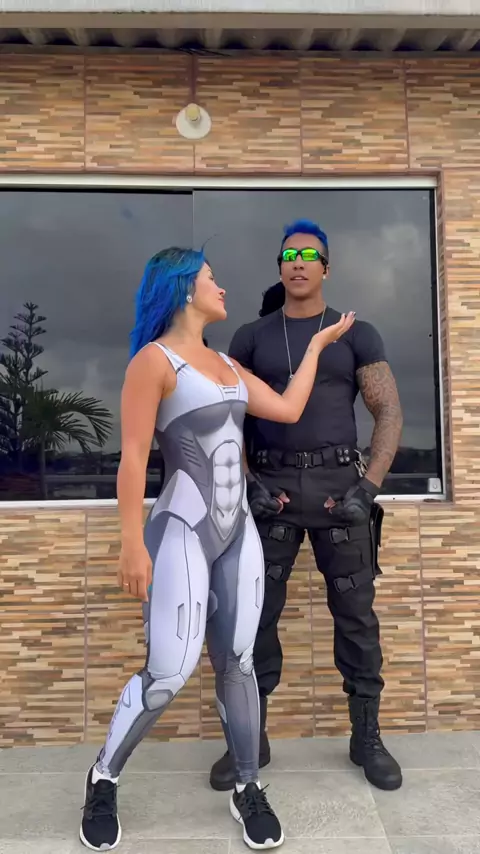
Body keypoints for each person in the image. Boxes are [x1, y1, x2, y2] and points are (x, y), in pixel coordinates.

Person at [79, 246, 354, 852]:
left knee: (239, 662)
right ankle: (103, 777)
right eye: (211, 279)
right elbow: (132, 459)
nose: (222, 287)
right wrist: (131, 543)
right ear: (184, 289)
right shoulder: (154, 362)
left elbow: (288, 408)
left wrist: (315, 347)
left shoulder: (227, 364)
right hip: (181, 528)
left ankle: (247, 787)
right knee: (168, 672)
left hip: (238, 534)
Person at [209, 219, 404, 795]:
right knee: (254, 618)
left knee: (357, 618)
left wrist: (368, 487)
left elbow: (388, 411)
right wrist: (247, 482)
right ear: (279, 267)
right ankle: (251, 739)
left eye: (310, 256)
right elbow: (228, 414)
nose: (298, 263)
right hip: (271, 494)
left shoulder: (356, 333)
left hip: (342, 494)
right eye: (289, 255)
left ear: (326, 268)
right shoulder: (251, 336)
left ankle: (366, 738)